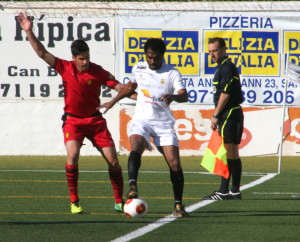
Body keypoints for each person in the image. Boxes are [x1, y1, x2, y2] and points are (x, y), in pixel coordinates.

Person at [17, 12, 135, 214]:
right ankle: (74, 201)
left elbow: (120, 88)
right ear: (74, 58)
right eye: (81, 59)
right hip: (73, 121)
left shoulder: (98, 71)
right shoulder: (64, 66)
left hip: (96, 122)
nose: (85, 62)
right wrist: (29, 31)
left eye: (87, 58)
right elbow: (41, 52)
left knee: (114, 161)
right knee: (72, 155)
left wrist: (144, 97)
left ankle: (118, 200)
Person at [100, 38, 190, 217]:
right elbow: (129, 87)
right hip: (142, 119)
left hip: (163, 123)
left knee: (174, 163)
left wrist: (173, 96)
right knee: (136, 145)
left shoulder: (172, 73)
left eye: (155, 58)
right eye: (149, 57)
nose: (152, 61)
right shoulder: (139, 68)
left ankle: (178, 205)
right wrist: (112, 101)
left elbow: (184, 95)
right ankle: (132, 186)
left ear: (162, 56)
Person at [203, 37, 244, 200]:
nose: (212, 54)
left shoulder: (226, 67)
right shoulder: (224, 67)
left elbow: (225, 94)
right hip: (233, 112)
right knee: (232, 152)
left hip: (229, 112)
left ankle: (223, 190)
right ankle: (234, 190)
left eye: (215, 50)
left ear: (224, 50)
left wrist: (215, 115)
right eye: (210, 51)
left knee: (225, 151)